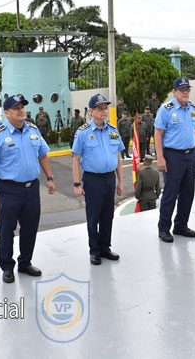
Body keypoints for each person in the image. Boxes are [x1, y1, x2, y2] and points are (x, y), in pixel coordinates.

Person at [0, 94, 55, 283]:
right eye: (16, 108)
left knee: (30, 228)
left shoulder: (33, 130)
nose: (21, 110)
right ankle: (7, 267)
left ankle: (25, 263)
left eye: (22, 107)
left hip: (32, 188)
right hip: (9, 190)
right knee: (7, 229)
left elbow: (43, 155)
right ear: (7, 113)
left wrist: (50, 178)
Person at [72, 94, 124, 265]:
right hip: (93, 180)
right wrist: (77, 184)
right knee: (93, 217)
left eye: (105, 108)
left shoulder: (113, 131)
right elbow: (76, 159)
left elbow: (117, 157)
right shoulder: (83, 132)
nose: (104, 111)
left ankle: (105, 247)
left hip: (109, 179)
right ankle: (94, 250)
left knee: (108, 215)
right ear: (91, 111)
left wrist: (120, 181)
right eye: (100, 108)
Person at [154, 77, 195, 243]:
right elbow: (158, 134)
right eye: (182, 90)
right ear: (174, 92)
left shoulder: (192, 108)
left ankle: (181, 225)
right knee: (170, 193)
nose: (185, 93)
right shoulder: (166, 109)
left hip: (190, 155)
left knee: (188, 192)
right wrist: (160, 157)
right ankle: (164, 228)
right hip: (173, 156)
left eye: (187, 90)